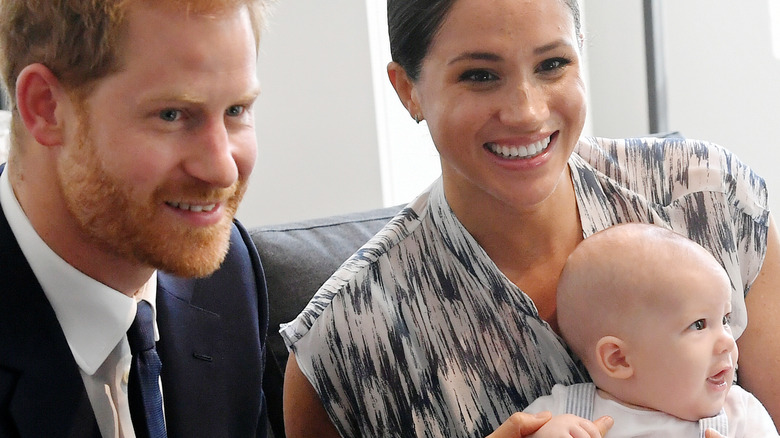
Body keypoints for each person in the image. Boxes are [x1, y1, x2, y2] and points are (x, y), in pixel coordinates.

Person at [280, 0, 780, 436]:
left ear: (581, 50)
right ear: (407, 89)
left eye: (553, 63)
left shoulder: (709, 199)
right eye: (480, 75)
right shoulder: (346, 344)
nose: (527, 112)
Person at [0, 0, 271, 437]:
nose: (223, 169)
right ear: (45, 107)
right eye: (172, 115)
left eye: (236, 110)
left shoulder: (227, 277)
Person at [523, 223, 778, 437]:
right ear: (619, 359)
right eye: (698, 324)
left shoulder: (741, 417)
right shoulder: (562, 414)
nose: (727, 342)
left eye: (725, 319)